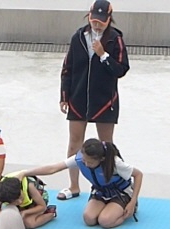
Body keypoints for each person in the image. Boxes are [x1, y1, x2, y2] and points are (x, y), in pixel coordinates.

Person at [58, 0, 130, 201]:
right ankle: (73, 186)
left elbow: (121, 69)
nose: (97, 25)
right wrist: (64, 96)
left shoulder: (115, 39)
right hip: (78, 97)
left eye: (102, 21)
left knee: (106, 145)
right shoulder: (79, 37)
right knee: (74, 143)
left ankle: (110, 185)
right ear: (89, 16)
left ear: (109, 20)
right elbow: (67, 68)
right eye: (94, 20)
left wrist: (103, 55)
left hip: (105, 100)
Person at [22, 138, 142, 228]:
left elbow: (138, 175)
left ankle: (129, 209)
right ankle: (110, 208)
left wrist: (132, 201)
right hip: (101, 192)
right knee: (89, 219)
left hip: (121, 193)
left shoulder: (115, 163)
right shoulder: (80, 158)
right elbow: (53, 168)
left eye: (89, 162)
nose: (85, 164)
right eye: (84, 160)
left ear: (101, 159)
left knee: (105, 221)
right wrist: (25, 173)